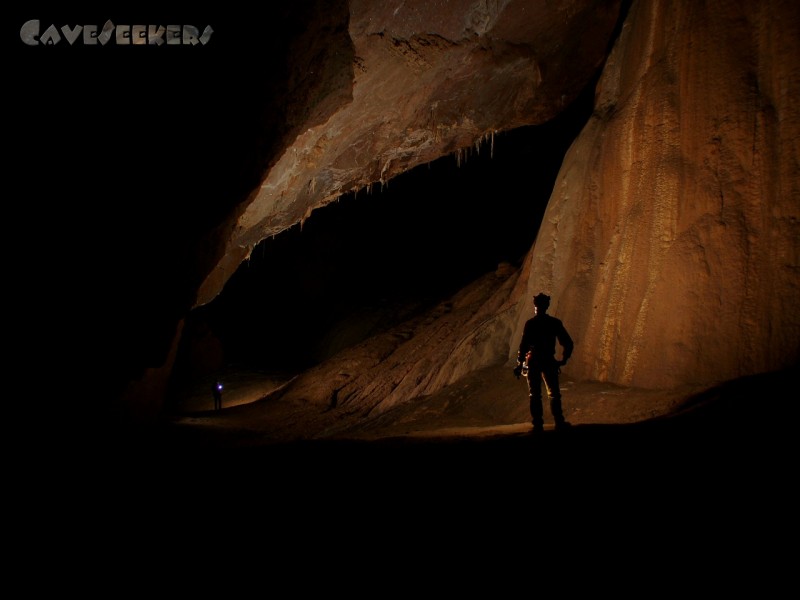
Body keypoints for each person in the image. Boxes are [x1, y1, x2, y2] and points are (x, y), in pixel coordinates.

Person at [513, 293, 574, 432]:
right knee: (553, 393)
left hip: (534, 360)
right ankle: (559, 421)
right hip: (548, 360)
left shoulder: (531, 323)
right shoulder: (554, 323)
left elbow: (523, 346)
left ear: (536, 306)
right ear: (547, 306)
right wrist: (564, 359)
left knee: (535, 394)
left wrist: (520, 363)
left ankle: (538, 424)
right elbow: (567, 342)